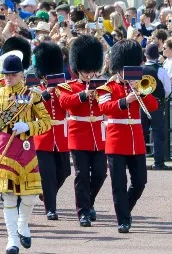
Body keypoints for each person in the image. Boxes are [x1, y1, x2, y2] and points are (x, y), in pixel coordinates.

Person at [0, 54, 51, 254]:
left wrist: (28, 126)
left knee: (29, 197)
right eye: (5, 74)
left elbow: (46, 122)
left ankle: (23, 224)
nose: (8, 78)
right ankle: (12, 239)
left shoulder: (32, 95)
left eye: (12, 74)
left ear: (20, 75)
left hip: (25, 149)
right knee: (8, 197)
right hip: (2, 148)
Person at [97, 40, 159, 233]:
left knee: (140, 182)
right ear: (119, 68)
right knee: (119, 184)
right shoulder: (107, 87)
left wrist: (139, 91)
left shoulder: (139, 85)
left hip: (136, 142)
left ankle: (125, 211)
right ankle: (123, 219)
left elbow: (153, 106)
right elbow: (104, 107)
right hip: (116, 141)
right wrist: (125, 100)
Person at [57, 35, 107, 227]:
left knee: (101, 173)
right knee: (82, 174)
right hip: (79, 135)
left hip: (98, 135)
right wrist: (84, 95)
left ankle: (89, 202)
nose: (89, 74)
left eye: (92, 70)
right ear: (78, 69)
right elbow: (64, 103)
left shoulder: (102, 86)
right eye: (86, 71)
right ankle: (83, 212)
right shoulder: (68, 86)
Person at [30, 42, 71, 220]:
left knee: (64, 172)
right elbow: (32, 105)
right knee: (48, 175)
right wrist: (48, 91)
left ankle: (47, 194)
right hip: (43, 136)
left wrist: (60, 93)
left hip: (61, 136)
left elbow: (68, 104)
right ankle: (51, 208)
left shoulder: (64, 87)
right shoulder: (35, 88)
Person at [145, 42, 169, 170]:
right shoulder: (160, 69)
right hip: (156, 104)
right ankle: (158, 162)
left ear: (146, 55)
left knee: (141, 132)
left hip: (142, 105)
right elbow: (168, 89)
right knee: (158, 133)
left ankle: (137, 160)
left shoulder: (140, 69)